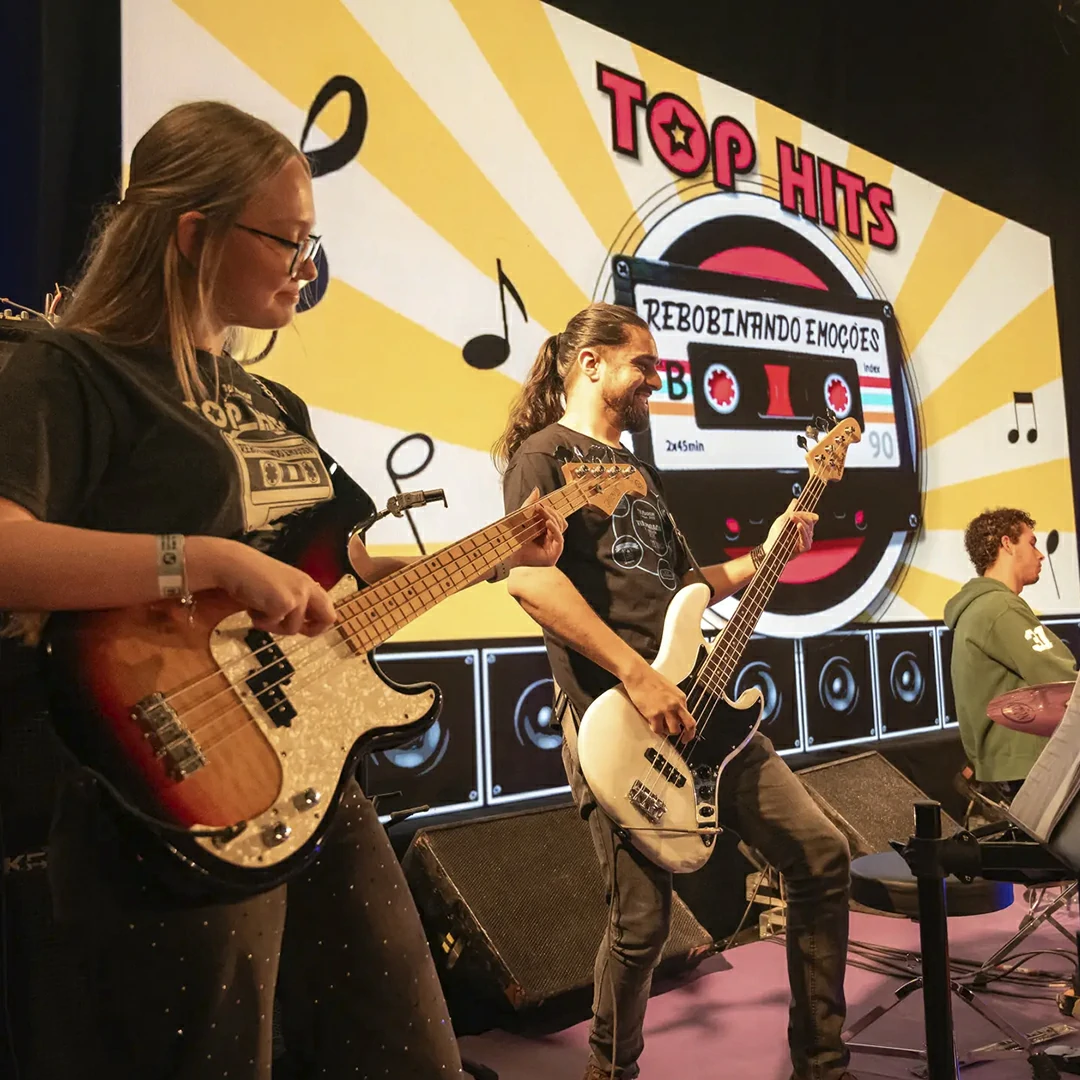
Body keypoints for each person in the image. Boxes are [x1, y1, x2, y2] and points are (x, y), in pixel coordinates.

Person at [0, 101, 565, 1080]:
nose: (308, 265)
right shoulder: (74, 369)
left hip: (314, 774)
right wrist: (205, 560)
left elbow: (328, 582)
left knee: (409, 1056)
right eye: (289, 240)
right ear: (194, 234)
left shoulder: (271, 401)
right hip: (165, 797)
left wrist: (492, 553)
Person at [495, 302, 857, 1080]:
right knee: (640, 925)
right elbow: (530, 581)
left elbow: (684, 585)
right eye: (643, 365)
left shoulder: (637, 469)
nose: (654, 380)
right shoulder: (543, 456)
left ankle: (824, 1064)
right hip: (615, 715)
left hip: (698, 705)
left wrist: (763, 554)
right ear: (590, 363)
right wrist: (637, 675)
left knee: (820, 853)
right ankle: (609, 1073)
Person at [945, 508, 1076, 792]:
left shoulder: (978, 608)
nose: (1040, 555)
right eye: (1032, 543)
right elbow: (1067, 684)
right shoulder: (999, 607)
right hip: (1030, 770)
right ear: (1007, 544)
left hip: (1007, 769)